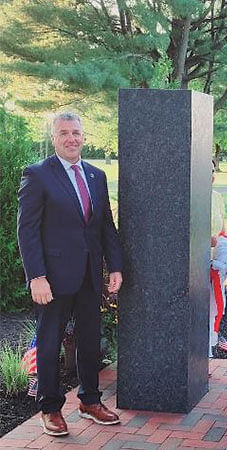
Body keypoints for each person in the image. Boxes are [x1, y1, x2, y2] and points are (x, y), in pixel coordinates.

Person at [17, 112, 123, 437]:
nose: (71, 138)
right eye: (64, 133)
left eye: (76, 132)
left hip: (90, 276)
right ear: (54, 138)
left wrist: (115, 265)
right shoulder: (37, 175)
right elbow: (27, 230)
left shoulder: (96, 175)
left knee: (90, 341)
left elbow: (105, 224)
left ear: (84, 136)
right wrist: (36, 276)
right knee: (50, 344)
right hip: (52, 279)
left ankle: (90, 401)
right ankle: (50, 408)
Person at [209, 161, 227, 356]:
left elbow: (223, 228)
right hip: (196, 260)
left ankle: (206, 353)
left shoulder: (217, 197)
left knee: (213, 307)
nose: (211, 175)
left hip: (215, 261)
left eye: (212, 170)